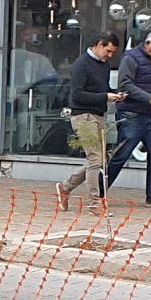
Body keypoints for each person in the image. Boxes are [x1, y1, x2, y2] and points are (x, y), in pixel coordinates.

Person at [54, 34, 125, 211]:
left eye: (112, 53)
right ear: (99, 45)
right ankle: (95, 203)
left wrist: (114, 95)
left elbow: (102, 89)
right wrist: (105, 96)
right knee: (95, 159)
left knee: (99, 160)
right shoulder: (81, 64)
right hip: (83, 116)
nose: (109, 56)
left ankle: (66, 187)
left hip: (99, 114)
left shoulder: (104, 65)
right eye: (108, 51)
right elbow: (77, 94)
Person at [112, 28, 151, 206]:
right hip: (131, 114)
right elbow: (124, 84)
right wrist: (149, 98)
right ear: (148, 44)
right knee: (120, 156)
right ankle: (98, 192)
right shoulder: (130, 58)